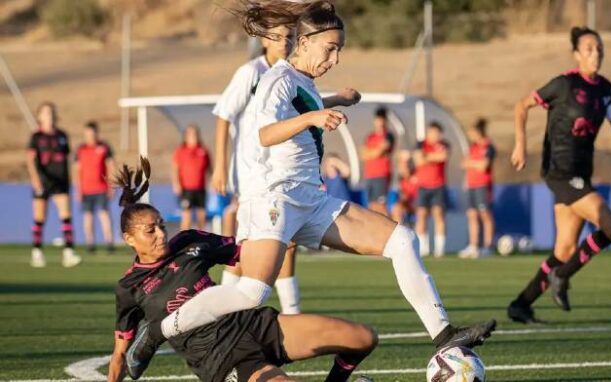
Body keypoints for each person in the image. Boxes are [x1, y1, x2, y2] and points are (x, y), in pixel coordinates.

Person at [125, 2, 496, 377]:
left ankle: (444, 334)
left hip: (311, 200)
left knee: (402, 240)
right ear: (303, 43)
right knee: (250, 293)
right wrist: (316, 116)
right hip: (274, 199)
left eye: (340, 50)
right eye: (330, 48)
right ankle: (158, 330)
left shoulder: (302, 82)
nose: (335, 58)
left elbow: (300, 106)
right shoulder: (276, 79)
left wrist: (333, 100)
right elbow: (266, 133)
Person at [107, 158, 378, 382]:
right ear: (128, 238)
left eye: (162, 226)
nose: (161, 235)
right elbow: (121, 355)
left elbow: (245, 253)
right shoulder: (129, 287)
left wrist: (282, 236)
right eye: (150, 231)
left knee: (362, 338)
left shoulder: (189, 242)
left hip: (253, 323)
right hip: (220, 356)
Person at [507, 26, 611, 324]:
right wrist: (520, 145)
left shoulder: (606, 89)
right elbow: (522, 105)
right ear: (576, 54)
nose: (595, 54)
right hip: (559, 171)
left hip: (582, 175)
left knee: (565, 248)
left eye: (599, 49)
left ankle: (521, 304)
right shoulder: (564, 84)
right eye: (589, 49)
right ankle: (563, 275)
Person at [209, 23, 301, 314]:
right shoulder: (251, 72)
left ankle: (290, 312)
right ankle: (222, 310)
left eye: (290, 37)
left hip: (285, 170)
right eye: (277, 37)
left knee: (287, 239)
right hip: (253, 173)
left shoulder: (293, 74)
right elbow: (224, 115)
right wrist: (221, 167)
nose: (285, 42)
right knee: (250, 242)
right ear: (264, 40)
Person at [26, 101, 82, 268]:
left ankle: (68, 252)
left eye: (51, 112)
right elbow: (30, 160)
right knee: (39, 218)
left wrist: (71, 178)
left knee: (66, 216)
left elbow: (68, 159)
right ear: (39, 116)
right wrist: (36, 180)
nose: (49, 115)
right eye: (46, 112)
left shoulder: (62, 135)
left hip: (60, 181)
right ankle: (37, 252)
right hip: (43, 181)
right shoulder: (36, 137)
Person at [74, 121, 116, 254]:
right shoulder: (80, 149)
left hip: (102, 189)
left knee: (104, 215)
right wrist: (78, 190)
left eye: (92, 134)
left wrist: (111, 186)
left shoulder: (104, 148)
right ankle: (90, 244)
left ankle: (109, 243)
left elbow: (111, 167)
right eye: (87, 134)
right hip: (86, 190)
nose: (90, 137)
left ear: (96, 134)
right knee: (88, 217)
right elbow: (76, 171)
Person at [458, 118, 496, 258]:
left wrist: (471, 163)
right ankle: (473, 246)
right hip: (471, 185)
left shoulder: (488, 147)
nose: (470, 135)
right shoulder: (472, 147)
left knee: (485, 214)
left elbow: (484, 166)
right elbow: (463, 164)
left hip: (483, 185)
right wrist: (474, 164)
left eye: (472, 132)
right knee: (472, 215)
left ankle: (488, 245)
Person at [413, 122, 450, 257]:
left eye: (438, 133)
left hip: (438, 185)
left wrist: (426, 157)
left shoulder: (444, 144)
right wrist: (433, 157)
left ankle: (440, 249)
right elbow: (418, 161)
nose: (435, 136)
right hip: (423, 186)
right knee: (421, 215)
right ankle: (424, 248)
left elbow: (443, 156)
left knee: (438, 214)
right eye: (433, 133)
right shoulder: (420, 144)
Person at [172, 124, 210, 231]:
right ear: (186, 136)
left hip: (201, 188)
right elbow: (175, 169)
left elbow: (209, 169)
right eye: (191, 134)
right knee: (186, 217)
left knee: (202, 216)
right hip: (186, 189)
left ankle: (200, 240)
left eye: (195, 133)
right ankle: (184, 241)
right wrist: (176, 184)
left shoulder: (203, 150)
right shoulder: (181, 151)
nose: (194, 136)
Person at [360, 106, 394, 216]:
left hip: (382, 175)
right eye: (377, 119)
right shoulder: (370, 137)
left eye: (382, 119)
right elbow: (363, 155)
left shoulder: (389, 136)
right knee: (372, 207)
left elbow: (378, 152)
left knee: (381, 206)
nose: (379, 122)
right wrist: (373, 153)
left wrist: (372, 152)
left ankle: (390, 230)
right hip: (370, 175)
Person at [391, 150, 418, 226]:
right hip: (407, 203)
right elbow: (402, 197)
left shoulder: (417, 176)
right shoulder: (401, 180)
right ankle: (399, 230)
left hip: (418, 203)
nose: (402, 168)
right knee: (396, 208)